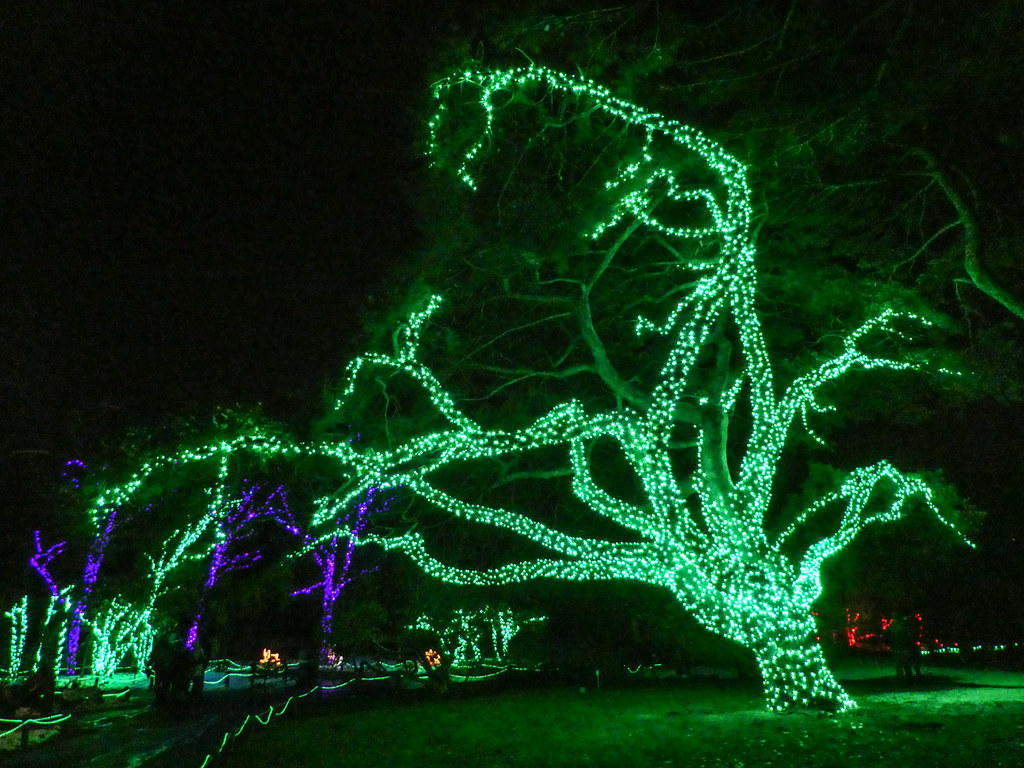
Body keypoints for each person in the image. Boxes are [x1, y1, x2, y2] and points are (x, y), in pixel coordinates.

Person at [888, 613, 922, 679]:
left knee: (905, 661)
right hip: (902, 645)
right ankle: (905, 675)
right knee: (904, 661)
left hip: (904, 645)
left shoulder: (903, 625)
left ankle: (907, 675)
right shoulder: (900, 625)